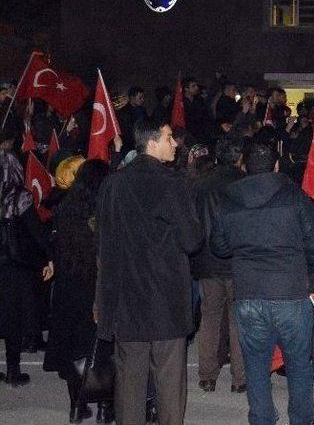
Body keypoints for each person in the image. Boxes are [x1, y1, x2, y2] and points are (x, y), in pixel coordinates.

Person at [95, 118, 202, 425]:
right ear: (152, 142)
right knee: (169, 381)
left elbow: (103, 243)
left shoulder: (113, 184)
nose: (175, 143)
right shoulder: (171, 183)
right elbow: (192, 240)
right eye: (170, 138)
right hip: (165, 297)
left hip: (126, 299)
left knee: (130, 382)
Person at [210, 142, 314, 425]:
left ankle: (261, 419)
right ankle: (301, 420)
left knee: (256, 364)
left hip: (248, 292)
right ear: (276, 165)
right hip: (290, 291)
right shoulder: (295, 196)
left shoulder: (228, 199)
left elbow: (219, 246)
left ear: (244, 166)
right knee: (299, 363)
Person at [44, 159, 112, 424]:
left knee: (73, 350)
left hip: (69, 288)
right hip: (97, 287)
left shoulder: (64, 209)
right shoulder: (104, 211)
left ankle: (76, 405)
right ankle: (106, 408)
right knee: (102, 350)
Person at [191, 136, 246, 394]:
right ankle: (239, 378)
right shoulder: (244, 184)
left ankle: (207, 375)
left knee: (210, 317)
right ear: (239, 158)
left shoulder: (201, 184)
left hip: (208, 260)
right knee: (238, 319)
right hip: (237, 261)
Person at [0, 131, 54, 386]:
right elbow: (37, 232)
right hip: (12, 266)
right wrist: (50, 255)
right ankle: (12, 370)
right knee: (12, 320)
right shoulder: (19, 198)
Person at [117, 86, 147, 154]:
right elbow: (126, 132)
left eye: (143, 97)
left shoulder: (143, 110)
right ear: (132, 97)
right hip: (129, 147)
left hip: (142, 144)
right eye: (140, 98)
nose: (143, 100)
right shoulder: (123, 112)